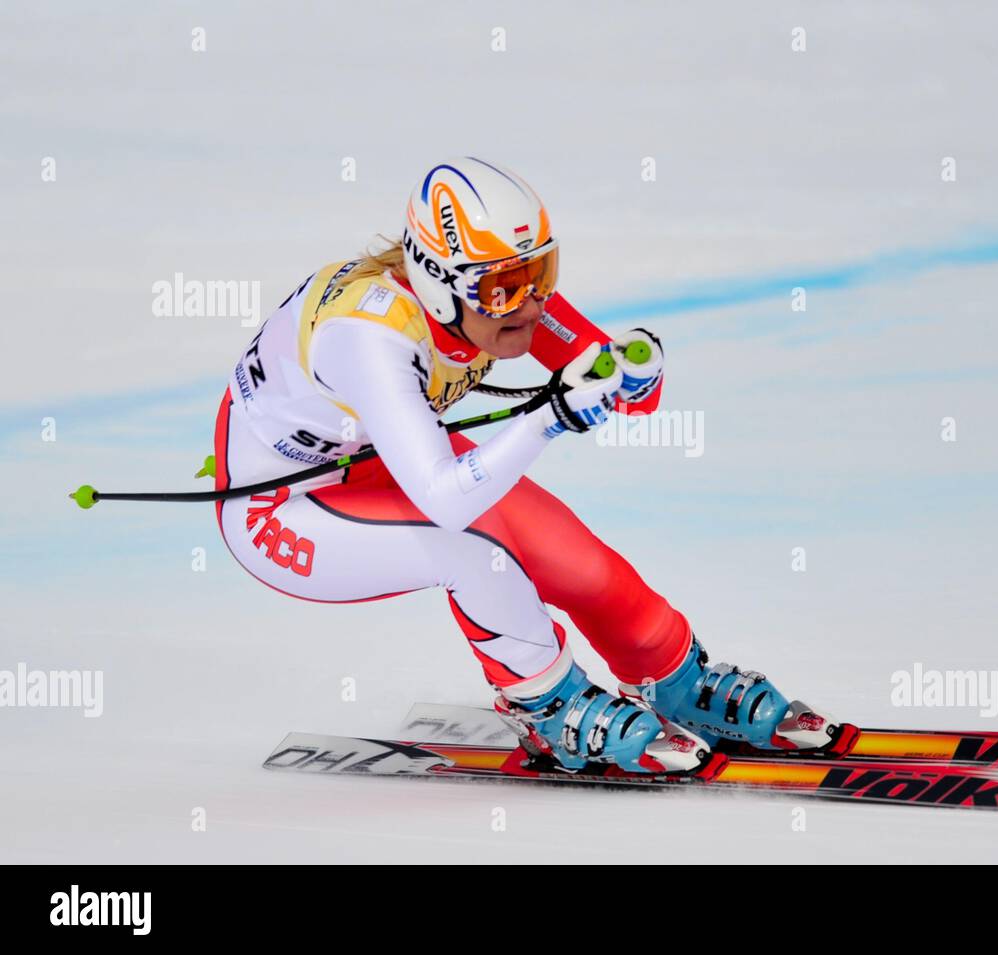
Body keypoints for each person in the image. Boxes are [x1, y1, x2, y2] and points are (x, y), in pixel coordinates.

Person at [214, 156, 832, 774]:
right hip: (280, 511)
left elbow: (619, 379)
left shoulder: (491, 290)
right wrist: (550, 418)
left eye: (540, 272)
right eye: (504, 287)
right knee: (472, 549)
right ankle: (545, 705)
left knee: (577, 560)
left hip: (379, 466)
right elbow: (446, 502)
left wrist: (636, 372)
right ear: (436, 282)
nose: (531, 303)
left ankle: (672, 678)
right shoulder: (370, 338)